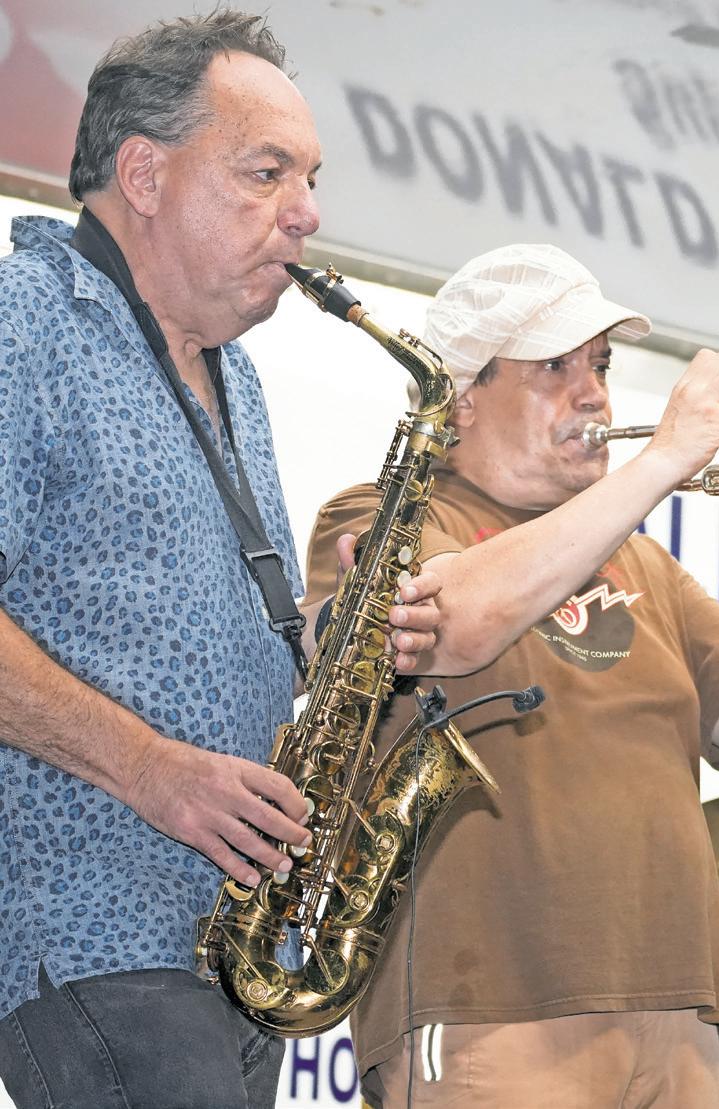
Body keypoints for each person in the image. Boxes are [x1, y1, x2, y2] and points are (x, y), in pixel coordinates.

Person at [0, 12, 445, 1108]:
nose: (308, 212)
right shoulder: (27, 320)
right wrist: (154, 769)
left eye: (310, 178)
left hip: (233, 943)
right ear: (144, 174)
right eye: (266, 172)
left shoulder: (232, 375)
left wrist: (341, 637)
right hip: (97, 924)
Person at [301, 242, 719, 1108]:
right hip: (489, 1002)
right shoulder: (384, 512)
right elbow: (456, 622)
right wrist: (661, 460)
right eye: (555, 366)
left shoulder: (643, 560)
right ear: (461, 393)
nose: (592, 391)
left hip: (680, 1007)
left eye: (599, 364)